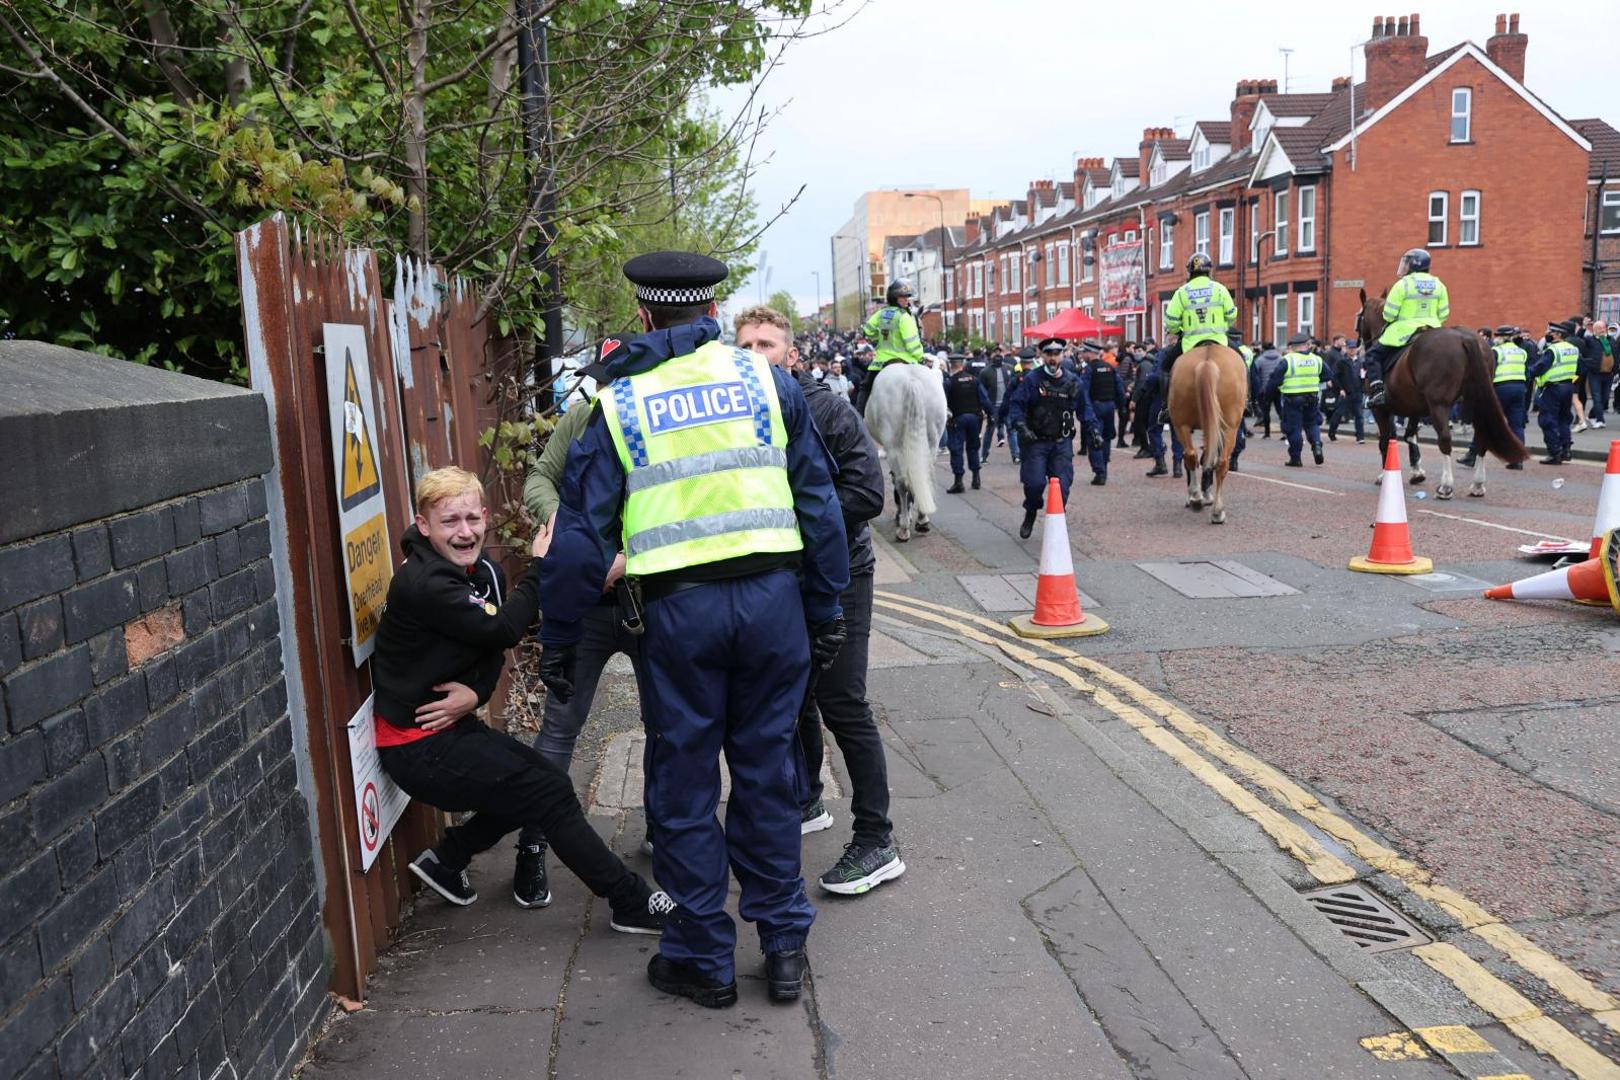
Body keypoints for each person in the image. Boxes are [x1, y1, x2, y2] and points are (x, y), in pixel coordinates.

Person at [538, 252, 850, 1009]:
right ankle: (781, 947)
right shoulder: (767, 383)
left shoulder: (621, 403)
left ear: (643, 316)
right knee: (768, 775)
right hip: (773, 606)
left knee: (681, 787)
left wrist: (559, 638)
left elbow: (581, 538)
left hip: (679, 617)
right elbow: (819, 502)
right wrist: (827, 606)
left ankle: (701, 957)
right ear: (713, 313)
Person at [373, 467, 674, 933]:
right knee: (547, 789)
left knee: (537, 781)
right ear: (424, 524)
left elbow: (495, 642)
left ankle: (448, 860)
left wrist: (476, 692)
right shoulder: (427, 583)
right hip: (416, 744)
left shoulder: (480, 571)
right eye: (450, 521)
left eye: (472, 518)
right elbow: (505, 628)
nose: (465, 531)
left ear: (487, 517)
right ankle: (628, 901)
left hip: (450, 727)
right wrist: (542, 568)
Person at [731, 305, 904, 900]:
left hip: (841, 574)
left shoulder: (828, 408)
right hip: (778, 578)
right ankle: (806, 801)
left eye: (769, 345)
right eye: (747, 345)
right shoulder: (738, 415)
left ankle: (877, 839)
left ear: (792, 353)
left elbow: (866, 493)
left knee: (841, 700)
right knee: (793, 690)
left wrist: (790, 518)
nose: (757, 354)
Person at [514, 361, 650, 908]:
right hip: (584, 605)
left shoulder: (659, 422)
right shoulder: (581, 417)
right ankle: (532, 843)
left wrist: (628, 557)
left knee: (665, 725)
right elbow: (539, 478)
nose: (609, 394)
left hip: (650, 600)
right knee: (559, 726)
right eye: (604, 384)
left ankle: (665, 831)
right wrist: (565, 529)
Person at [1007, 338, 1088, 537]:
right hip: (1036, 442)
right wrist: (1020, 426)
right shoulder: (1032, 380)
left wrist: (1093, 430)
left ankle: (1055, 526)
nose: (1053, 358)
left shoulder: (1073, 381)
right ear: (1042, 356)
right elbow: (1016, 406)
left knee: (1063, 486)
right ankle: (1031, 511)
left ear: (1062, 354)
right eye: (1049, 354)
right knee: (1034, 483)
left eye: (1056, 353)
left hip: (1061, 443)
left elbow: (1085, 409)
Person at [1363, 249, 1450, 407]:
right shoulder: (1439, 284)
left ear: (1415, 264)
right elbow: (1444, 313)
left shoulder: (1403, 284)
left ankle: (1377, 392)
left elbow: (1388, 314)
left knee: (1372, 355)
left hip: (1404, 332)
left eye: (1407, 262)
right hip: (1433, 329)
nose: (1404, 266)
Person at [1155, 253, 1237, 385]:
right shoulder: (1220, 289)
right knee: (1243, 362)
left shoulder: (1181, 293)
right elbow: (1231, 314)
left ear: (1189, 272)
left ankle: (1166, 404)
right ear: (1209, 271)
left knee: (1165, 367)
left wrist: (1179, 330)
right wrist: (1224, 325)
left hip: (1190, 344)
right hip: (1219, 340)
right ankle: (1249, 402)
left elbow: (1171, 321)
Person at [1460, 326, 1529, 470]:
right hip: (1519, 388)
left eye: (1497, 336)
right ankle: (1517, 459)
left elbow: (1489, 372)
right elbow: (1526, 371)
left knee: (1485, 421)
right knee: (1516, 424)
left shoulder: (1497, 351)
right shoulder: (1521, 351)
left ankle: (1472, 455)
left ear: (1501, 337)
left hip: (1501, 388)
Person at [856, 280, 924, 414]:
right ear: (895, 298)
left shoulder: (880, 314)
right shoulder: (905, 317)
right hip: (908, 361)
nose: (906, 300)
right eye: (903, 297)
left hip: (881, 362)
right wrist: (920, 357)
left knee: (865, 388)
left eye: (907, 297)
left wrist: (878, 337)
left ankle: (858, 417)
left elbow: (868, 330)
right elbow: (912, 343)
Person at [1266, 333, 1326, 467]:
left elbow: (1274, 380)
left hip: (1292, 400)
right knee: (1312, 424)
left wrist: (1267, 396)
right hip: (1312, 398)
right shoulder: (1316, 359)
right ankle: (1316, 445)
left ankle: (1296, 458)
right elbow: (1328, 375)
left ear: (1292, 347)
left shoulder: (1288, 360)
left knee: (1294, 428)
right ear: (1307, 345)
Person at [1529, 319, 1582, 465]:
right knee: (1564, 419)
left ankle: (1554, 453)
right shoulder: (1573, 348)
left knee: (1547, 420)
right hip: (1567, 387)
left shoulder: (1553, 350)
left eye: (1550, 332)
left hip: (1552, 389)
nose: (1547, 334)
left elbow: (1539, 367)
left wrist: (1526, 374)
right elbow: (1581, 368)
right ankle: (1566, 450)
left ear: (1558, 334)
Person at [1075, 340, 1123, 485]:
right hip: (1109, 407)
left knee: (1094, 438)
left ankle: (1100, 472)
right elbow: (1119, 387)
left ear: (1090, 353)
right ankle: (1104, 468)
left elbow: (1083, 392)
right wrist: (1122, 406)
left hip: (1095, 407)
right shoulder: (1109, 367)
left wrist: (1085, 412)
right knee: (1106, 438)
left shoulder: (1089, 369)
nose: (1082, 355)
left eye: (1084, 352)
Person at [943, 355, 992, 492]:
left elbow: (943, 403)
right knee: (973, 447)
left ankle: (958, 481)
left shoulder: (949, 382)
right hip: (974, 419)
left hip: (957, 419)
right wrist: (991, 415)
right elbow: (984, 400)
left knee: (956, 449)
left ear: (951, 365)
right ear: (963, 365)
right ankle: (976, 478)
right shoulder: (974, 380)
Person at [1326, 335, 1365, 443]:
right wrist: (1340, 389)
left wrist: (1363, 388)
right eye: (1350, 348)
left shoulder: (1361, 362)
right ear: (1346, 349)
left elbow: (1364, 376)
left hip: (1357, 392)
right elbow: (1335, 376)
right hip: (1346, 393)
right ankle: (1331, 433)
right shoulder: (1341, 362)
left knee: (1359, 416)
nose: (1352, 350)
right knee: (1338, 414)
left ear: (1357, 349)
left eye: (1354, 348)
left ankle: (1360, 436)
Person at [979, 348, 1016, 461]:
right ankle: (984, 455)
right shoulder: (985, 372)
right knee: (990, 430)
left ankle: (1016, 455)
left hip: (1007, 405)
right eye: (995, 353)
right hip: (993, 406)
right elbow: (982, 390)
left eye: (999, 352)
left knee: (1011, 429)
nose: (998, 355)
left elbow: (1013, 386)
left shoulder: (1008, 369)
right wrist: (985, 406)